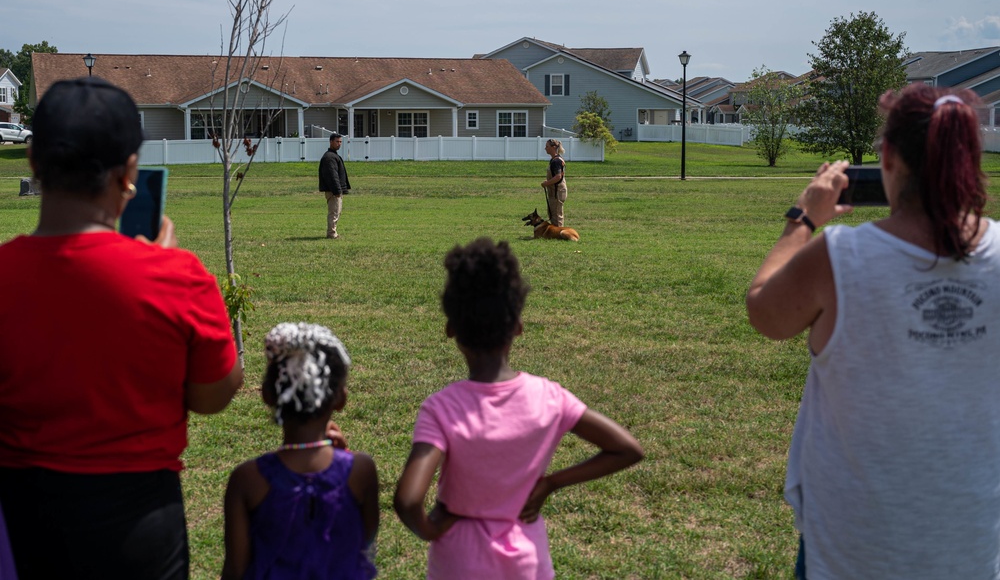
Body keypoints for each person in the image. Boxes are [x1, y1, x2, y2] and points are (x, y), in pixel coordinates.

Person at [745, 84, 999, 579]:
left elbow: (765, 312)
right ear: (970, 157)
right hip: (974, 534)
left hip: (853, 542)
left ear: (887, 156)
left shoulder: (841, 256)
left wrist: (802, 220)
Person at [0, 77, 244, 579]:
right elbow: (214, 395)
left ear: (33, 162)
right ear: (129, 169)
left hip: (18, 520)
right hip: (139, 524)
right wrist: (159, 271)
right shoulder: (178, 276)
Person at [394, 237, 643, 579]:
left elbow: (408, 500)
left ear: (451, 329)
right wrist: (551, 483)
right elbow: (627, 449)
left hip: (458, 559)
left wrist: (428, 529)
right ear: (518, 328)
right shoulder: (550, 397)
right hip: (528, 557)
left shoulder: (441, 408)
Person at [222, 322, 378, 580]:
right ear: (341, 398)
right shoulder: (361, 471)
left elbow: (235, 572)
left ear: (268, 395)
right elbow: (364, 539)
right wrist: (345, 456)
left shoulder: (247, 480)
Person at [318, 132, 351, 239]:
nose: (339, 144)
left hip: (335, 190)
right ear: (331, 142)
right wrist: (337, 191)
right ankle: (332, 234)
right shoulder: (329, 157)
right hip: (333, 191)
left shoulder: (333, 156)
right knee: (334, 213)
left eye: (340, 142)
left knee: (336, 212)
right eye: (337, 141)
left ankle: (333, 232)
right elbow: (332, 176)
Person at [540, 139, 567, 226]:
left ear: (553, 147)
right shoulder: (555, 160)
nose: (545, 148)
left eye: (547, 146)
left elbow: (558, 176)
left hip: (557, 192)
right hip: (555, 191)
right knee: (553, 213)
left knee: (557, 214)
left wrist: (546, 183)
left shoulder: (556, 161)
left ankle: (559, 233)